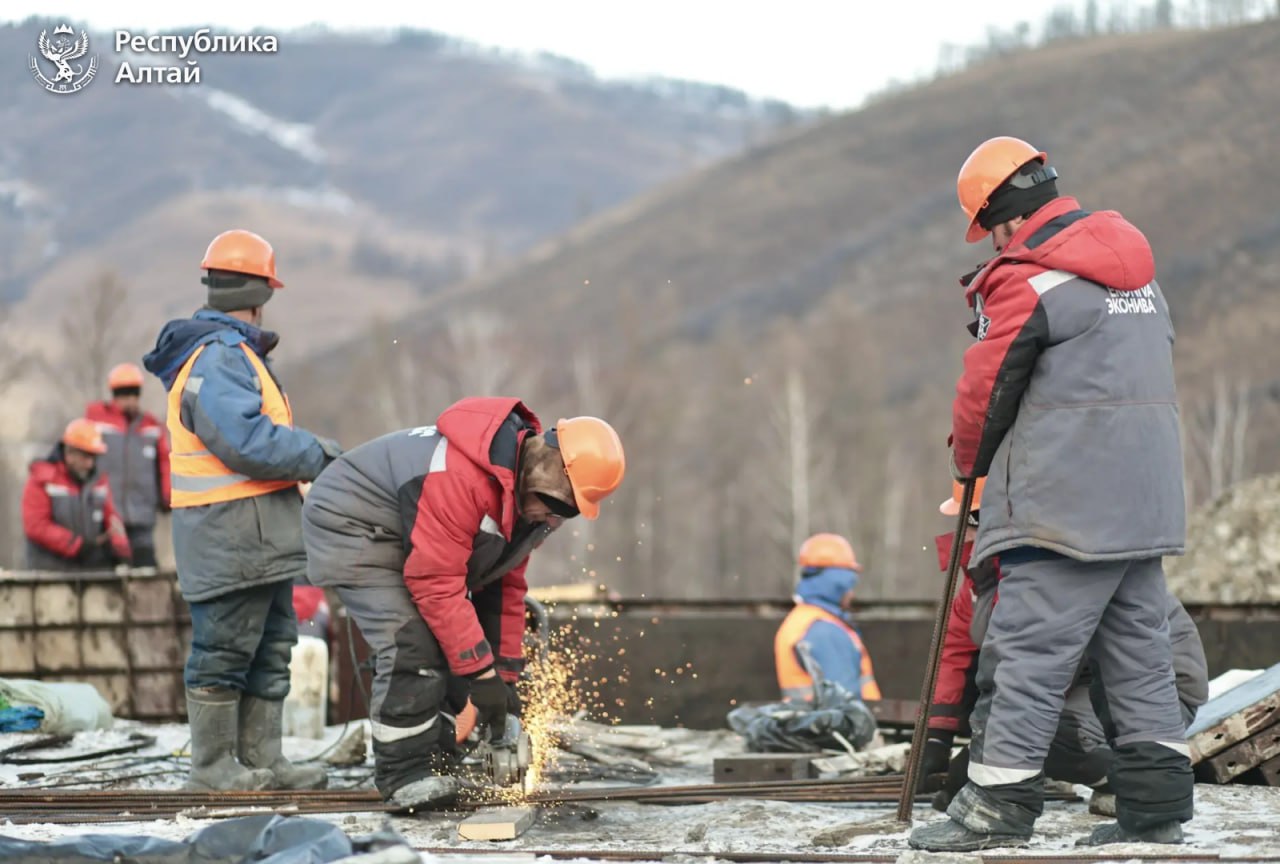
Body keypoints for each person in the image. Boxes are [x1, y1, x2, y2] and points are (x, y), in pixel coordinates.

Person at [909, 136, 1193, 851]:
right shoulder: (1139, 277)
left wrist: (969, 469)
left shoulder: (1028, 280)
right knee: (1140, 654)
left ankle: (997, 809)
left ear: (1000, 220)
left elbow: (985, 392)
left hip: (1065, 508)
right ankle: (1155, 809)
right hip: (1147, 501)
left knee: (1028, 656)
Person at [301, 398, 625, 808]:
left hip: (408, 533)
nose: (553, 519)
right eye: (557, 505)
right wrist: (481, 673)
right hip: (352, 524)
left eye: (568, 512)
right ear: (544, 467)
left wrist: (503, 675)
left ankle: (437, 761)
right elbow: (435, 583)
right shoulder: (463, 479)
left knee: (457, 648)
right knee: (412, 643)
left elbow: (506, 590)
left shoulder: (524, 505)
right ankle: (404, 774)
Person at [143, 228, 342, 792]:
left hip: (259, 536)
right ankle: (212, 769)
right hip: (228, 533)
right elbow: (248, 443)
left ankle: (262, 760)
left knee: (272, 645)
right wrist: (319, 454)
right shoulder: (220, 358)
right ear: (260, 294)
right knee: (225, 650)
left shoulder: (233, 355)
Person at [921, 481, 1209, 817]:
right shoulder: (984, 580)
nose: (968, 532)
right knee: (1017, 729)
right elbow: (954, 653)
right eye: (968, 521)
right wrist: (936, 736)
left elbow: (1046, 667)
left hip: (1158, 684)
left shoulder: (1057, 566)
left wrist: (979, 757)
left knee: (1049, 738)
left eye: (974, 520)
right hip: (1085, 684)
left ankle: (1135, 784)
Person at [774, 533, 881, 702]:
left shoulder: (802, 620)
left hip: (811, 725)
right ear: (837, 583)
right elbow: (845, 703)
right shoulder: (824, 630)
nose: (852, 593)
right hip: (835, 727)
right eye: (850, 584)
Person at [85, 362, 171, 567]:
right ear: (114, 394)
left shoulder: (151, 427)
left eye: (134, 394)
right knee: (105, 577)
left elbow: (165, 465)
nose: (129, 400)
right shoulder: (96, 422)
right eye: (124, 394)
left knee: (146, 575)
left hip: (142, 516)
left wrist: (168, 498)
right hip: (105, 518)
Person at [22, 418, 131, 570]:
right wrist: (77, 545)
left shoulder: (99, 482)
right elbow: (36, 526)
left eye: (93, 457)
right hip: (49, 574)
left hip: (90, 571)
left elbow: (112, 519)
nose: (90, 464)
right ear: (69, 452)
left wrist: (120, 549)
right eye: (85, 456)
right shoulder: (42, 479)